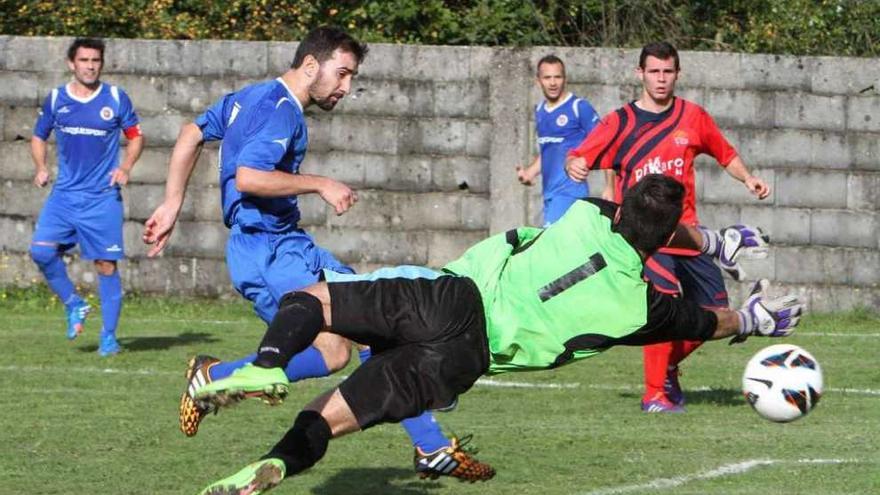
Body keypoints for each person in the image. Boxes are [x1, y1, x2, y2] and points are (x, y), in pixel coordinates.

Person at [187, 175, 802, 494]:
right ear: (663, 237)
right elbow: (704, 321)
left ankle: (269, 362)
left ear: (623, 203)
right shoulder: (642, 309)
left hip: (451, 300)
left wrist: (716, 239)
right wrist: (753, 319)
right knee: (329, 418)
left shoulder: (588, 213)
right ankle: (270, 464)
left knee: (309, 300)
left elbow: (644, 221)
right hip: (465, 361)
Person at [141, 27, 493, 481]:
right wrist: (320, 183)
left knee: (339, 347)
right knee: (364, 329)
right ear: (311, 65)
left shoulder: (249, 97)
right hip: (270, 250)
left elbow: (192, 133)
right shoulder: (282, 113)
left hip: (279, 245)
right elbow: (249, 176)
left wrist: (172, 203)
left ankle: (215, 375)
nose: (346, 87)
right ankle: (430, 445)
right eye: (342, 74)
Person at [565, 41, 772, 413]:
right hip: (646, 240)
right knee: (662, 307)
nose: (661, 79)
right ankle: (654, 396)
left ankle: (668, 366)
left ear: (678, 74)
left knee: (714, 311)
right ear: (640, 74)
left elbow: (725, 153)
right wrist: (575, 166)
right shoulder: (620, 122)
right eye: (654, 71)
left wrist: (748, 178)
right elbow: (579, 156)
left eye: (668, 71)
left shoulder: (693, 117)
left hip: (689, 235)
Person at [30, 37, 144, 356]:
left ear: (101, 64)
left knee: (105, 265)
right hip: (64, 196)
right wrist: (41, 167)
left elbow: (136, 136)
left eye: (96, 61)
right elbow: (38, 137)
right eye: (84, 60)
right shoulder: (56, 99)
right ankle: (74, 304)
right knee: (40, 251)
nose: (90, 66)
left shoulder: (116, 98)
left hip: (102, 198)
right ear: (72, 63)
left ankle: (108, 337)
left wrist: (126, 167)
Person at [515, 55, 612, 225]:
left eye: (557, 77)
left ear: (564, 79)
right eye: (547, 77)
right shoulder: (540, 110)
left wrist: (610, 186)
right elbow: (549, 149)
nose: (553, 83)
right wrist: (530, 172)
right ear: (538, 81)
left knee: (549, 246)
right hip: (549, 194)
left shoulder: (578, 107)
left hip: (570, 193)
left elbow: (606, 144)